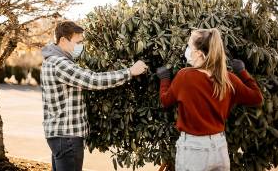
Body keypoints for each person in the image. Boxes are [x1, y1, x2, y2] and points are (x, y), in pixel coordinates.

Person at [41, 21, 148, 171]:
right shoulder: (60, 64)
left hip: (60, 136)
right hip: (67, 137)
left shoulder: (50, 61)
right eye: (77, 42)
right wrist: (129, 72)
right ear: (63, 40)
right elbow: (93, 80)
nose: (80, 47)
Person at [156, 28, 263, 171]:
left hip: (193, 151)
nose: (186, 50)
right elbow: (257, 98)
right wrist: (243, 72)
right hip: (219, 148)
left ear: (199, 53)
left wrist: (164, 79)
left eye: (189, 46)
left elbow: (165, 101)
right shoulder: (228, 79)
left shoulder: (184, 76)